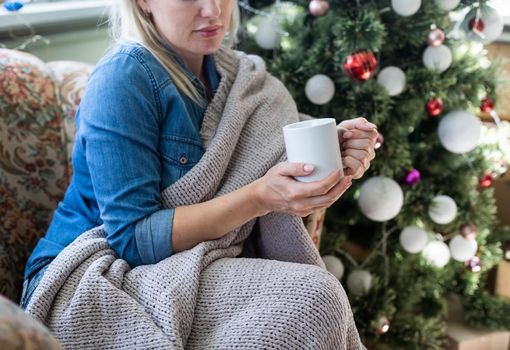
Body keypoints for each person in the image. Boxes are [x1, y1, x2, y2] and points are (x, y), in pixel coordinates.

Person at [22, 0, 377, 348]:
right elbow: (132, 238)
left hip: (195, 259)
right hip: (95, 274)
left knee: (312, 299)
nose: (212, 10)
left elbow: (269, 157)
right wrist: (258, 197)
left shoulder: (238, 76)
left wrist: (334, 152)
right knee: (314, 298)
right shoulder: (123, 77)